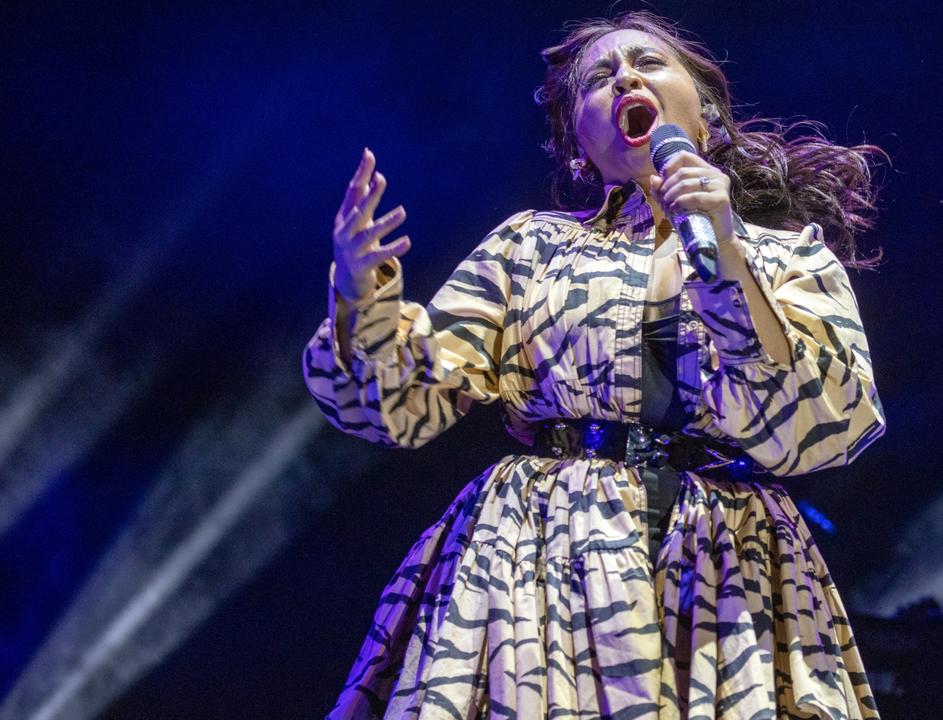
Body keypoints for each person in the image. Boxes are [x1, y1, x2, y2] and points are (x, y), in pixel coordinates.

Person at [302, 11, 887, 719]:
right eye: (600, 79)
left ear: (706, 116)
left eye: (648, 63)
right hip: (542, 558)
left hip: (725, 566)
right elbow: (403, 402)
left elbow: (821, 425)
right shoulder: (531, 247)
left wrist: (727, 254)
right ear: (579, 143)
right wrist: (361, 299)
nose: (626, 78)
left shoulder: (791, 257)